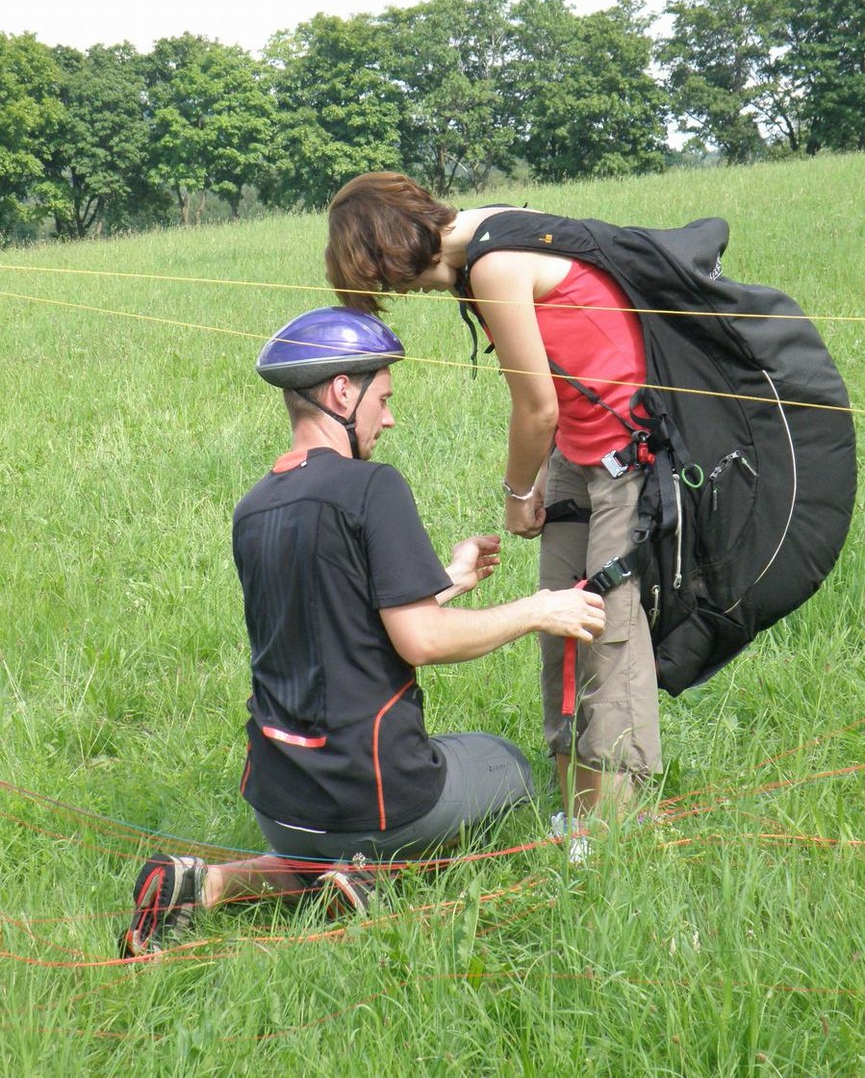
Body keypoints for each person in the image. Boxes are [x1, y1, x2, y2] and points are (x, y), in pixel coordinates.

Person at [121, 307, 606, 958]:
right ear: (342, 391)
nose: (390, 416)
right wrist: (539, 609)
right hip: (379, 802)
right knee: (508, 765)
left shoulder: (253, 508)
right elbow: (421, 640)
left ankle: (205, 883)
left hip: (278, 802)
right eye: (383, 397)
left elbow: (332, 614)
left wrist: (449, 578)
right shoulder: (370, 486)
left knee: (318, 837)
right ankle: (370, 867)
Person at [325, 172, 661, 828]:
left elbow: (534, 406)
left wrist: (515, 494)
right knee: (563, 629)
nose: (399, 293)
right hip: (578, 450)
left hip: (630, 458)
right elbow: (558, 390)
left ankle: (616, 829)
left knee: (608, 633)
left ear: (397, 248)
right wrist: (540, 478)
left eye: (388, 279)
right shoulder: (481, 237)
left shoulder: (496, 263)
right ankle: (573, 812)